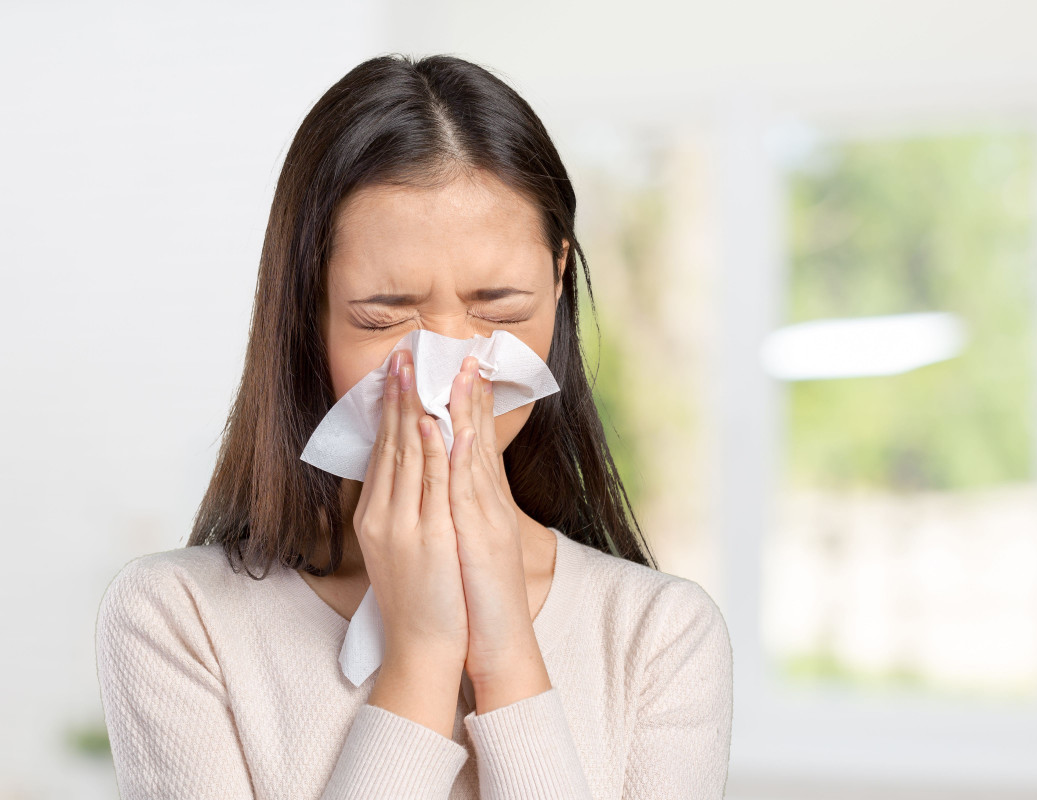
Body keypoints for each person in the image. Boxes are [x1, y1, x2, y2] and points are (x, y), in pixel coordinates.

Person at [94, 52, 733, 799]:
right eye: (384, 316)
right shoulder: (178, 619)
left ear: (559, 281)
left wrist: (505, 656)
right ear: (309, 309)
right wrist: (420, 662)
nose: (447, 373)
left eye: (500, 310)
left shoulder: (658, 635)